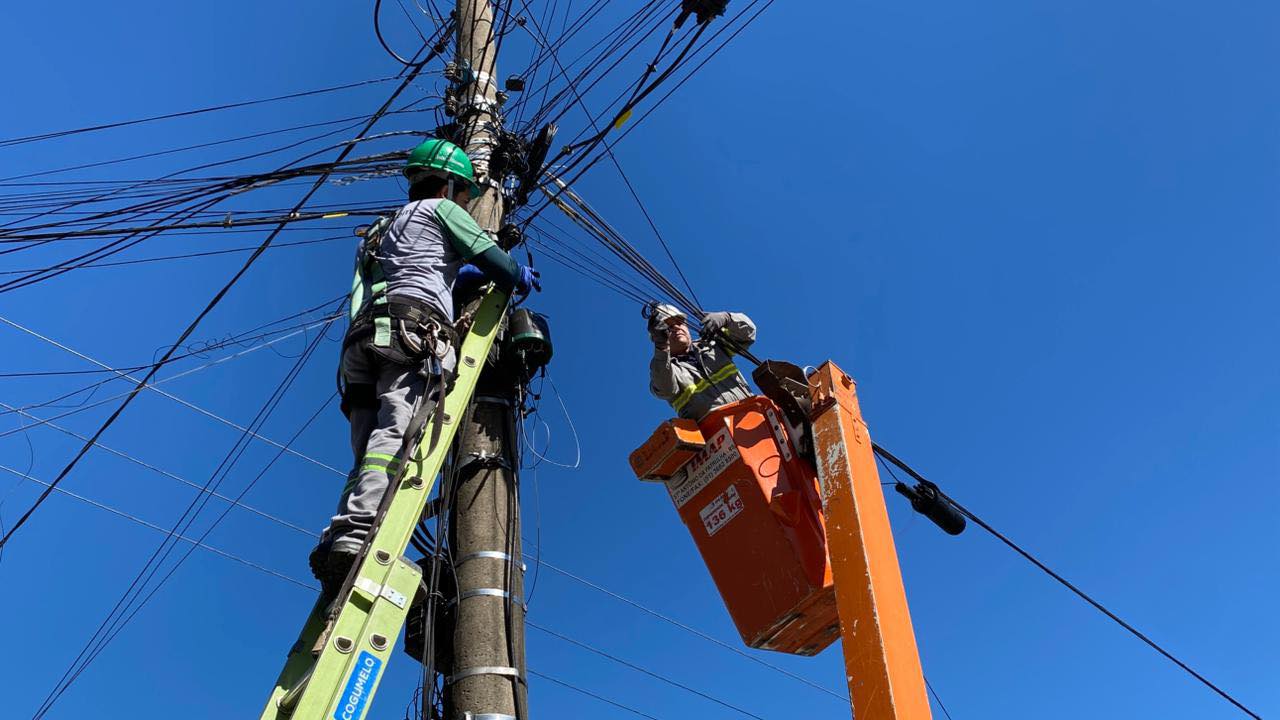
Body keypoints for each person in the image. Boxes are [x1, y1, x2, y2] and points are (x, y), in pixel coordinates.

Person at [310, 138, 541, 599]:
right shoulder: (442, 211)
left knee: (368, 450)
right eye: (464, 192)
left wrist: (467, 277)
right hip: (411, 333)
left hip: (360, 341)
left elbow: (424, 267)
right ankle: (358, 533)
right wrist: (517, 273)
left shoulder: (382, 227)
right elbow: (494, 261)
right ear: (452, 182)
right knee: (396, 433)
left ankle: (343, 531)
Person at [648, 304, 756, 421]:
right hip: (714, 433)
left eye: (679, 322)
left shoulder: (712, 345)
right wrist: (661, 348)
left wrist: (727, 318)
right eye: (668, 328)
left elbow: (747, 334)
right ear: (659, 338)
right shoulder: (666, 369)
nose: (676, 328)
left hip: (752, 415)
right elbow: (664, 387)